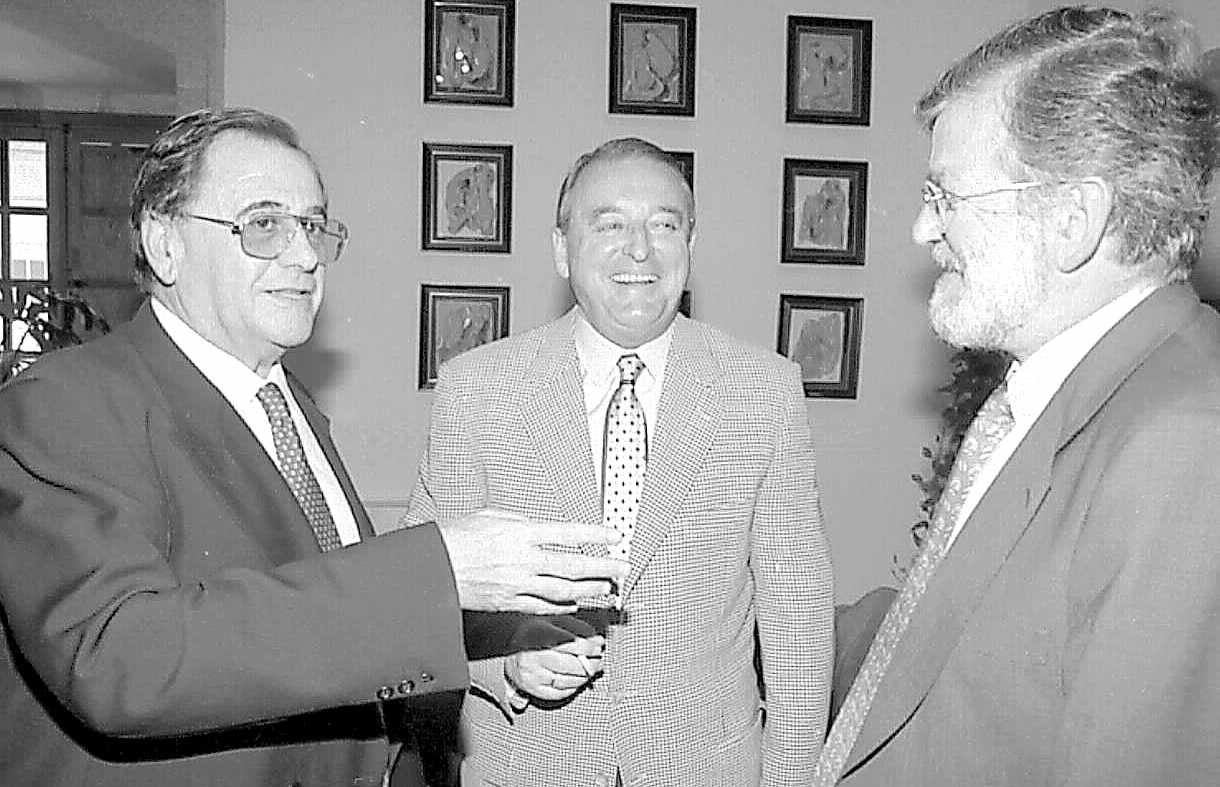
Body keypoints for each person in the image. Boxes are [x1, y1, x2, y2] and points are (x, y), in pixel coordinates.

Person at [0, 107, 627, 787]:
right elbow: (117, 657)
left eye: (312, 225)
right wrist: (437, 569)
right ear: (164, 242)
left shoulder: (290, 406)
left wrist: (489, 650)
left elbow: (323, 629)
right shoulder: (66, 401)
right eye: (264, 224)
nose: (303, 255)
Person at [816, 7, 1220, 786]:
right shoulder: (1059, 392)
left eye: (947, 196)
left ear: (1073, 220)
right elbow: (955, 646)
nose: (919, 230)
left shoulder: (1185, 442)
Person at [403, 137, 834, 786]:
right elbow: (423, 590)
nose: (641, 248)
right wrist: (508, 660)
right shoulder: (477, 389)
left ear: (691, 244)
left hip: (707, 768)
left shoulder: (762, 390)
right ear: (561, 248)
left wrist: (793, 778)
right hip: (527, 765)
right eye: (609, 224)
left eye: (665, 224)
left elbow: (796, 606)